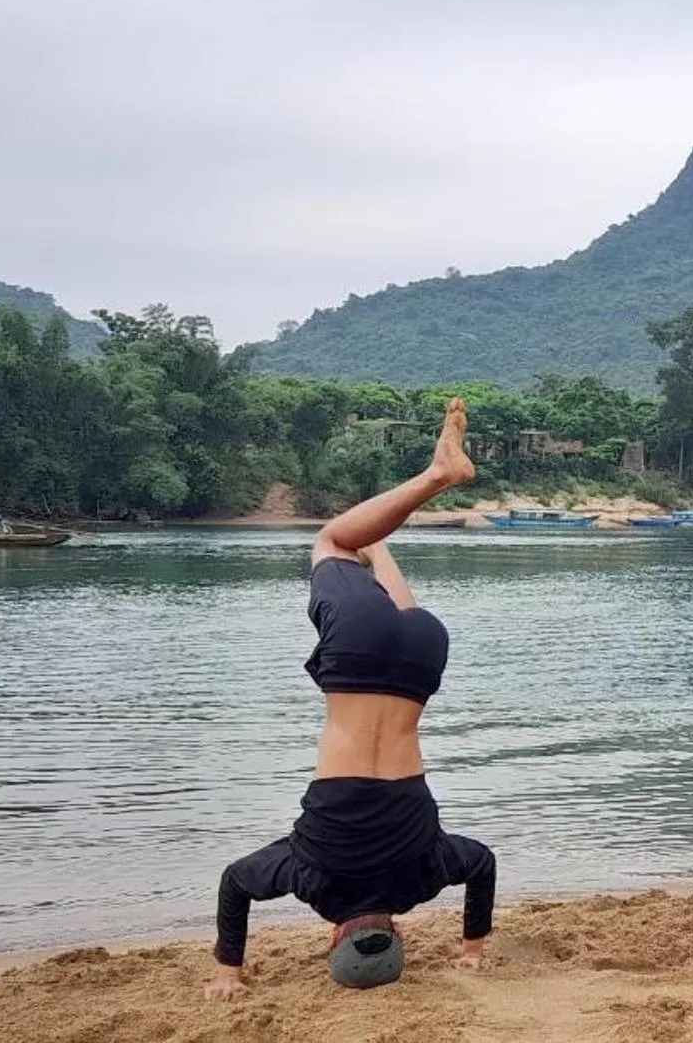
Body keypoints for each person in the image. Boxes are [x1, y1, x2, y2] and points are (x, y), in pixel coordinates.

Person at [205, 397, 496, 1000]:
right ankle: (437, 476)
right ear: (335, 939)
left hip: (421, 653)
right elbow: (236, 884)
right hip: (358, 664)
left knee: (377, 570)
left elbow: (483, 863)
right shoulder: (315, 883)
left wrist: (474, 949)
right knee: (333, 540)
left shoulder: (421, 880)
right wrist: (227, 972)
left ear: (398, 936)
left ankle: (380, 542)